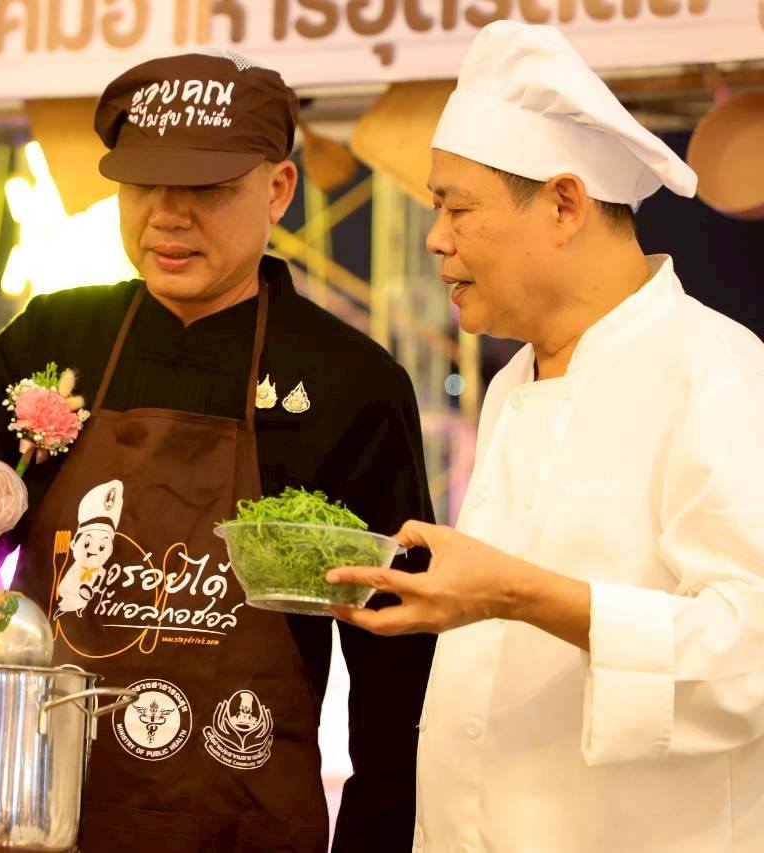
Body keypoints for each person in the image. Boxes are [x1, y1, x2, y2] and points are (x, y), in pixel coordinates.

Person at [0, 50, 436, 852]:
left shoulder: (348, 379)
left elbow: (397, 652)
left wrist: (375, 835)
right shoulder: (56, 336)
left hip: (246, 814)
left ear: (279, 189)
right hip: (42, 814)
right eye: (145, 186)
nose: (168, 216)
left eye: (208, 189)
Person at [326, 22, 764, 853]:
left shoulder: (718, 372)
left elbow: (752, 647)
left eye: (455, 206)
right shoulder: (512, 383)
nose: (435, 237)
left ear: (564, 204)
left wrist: (515, 592)